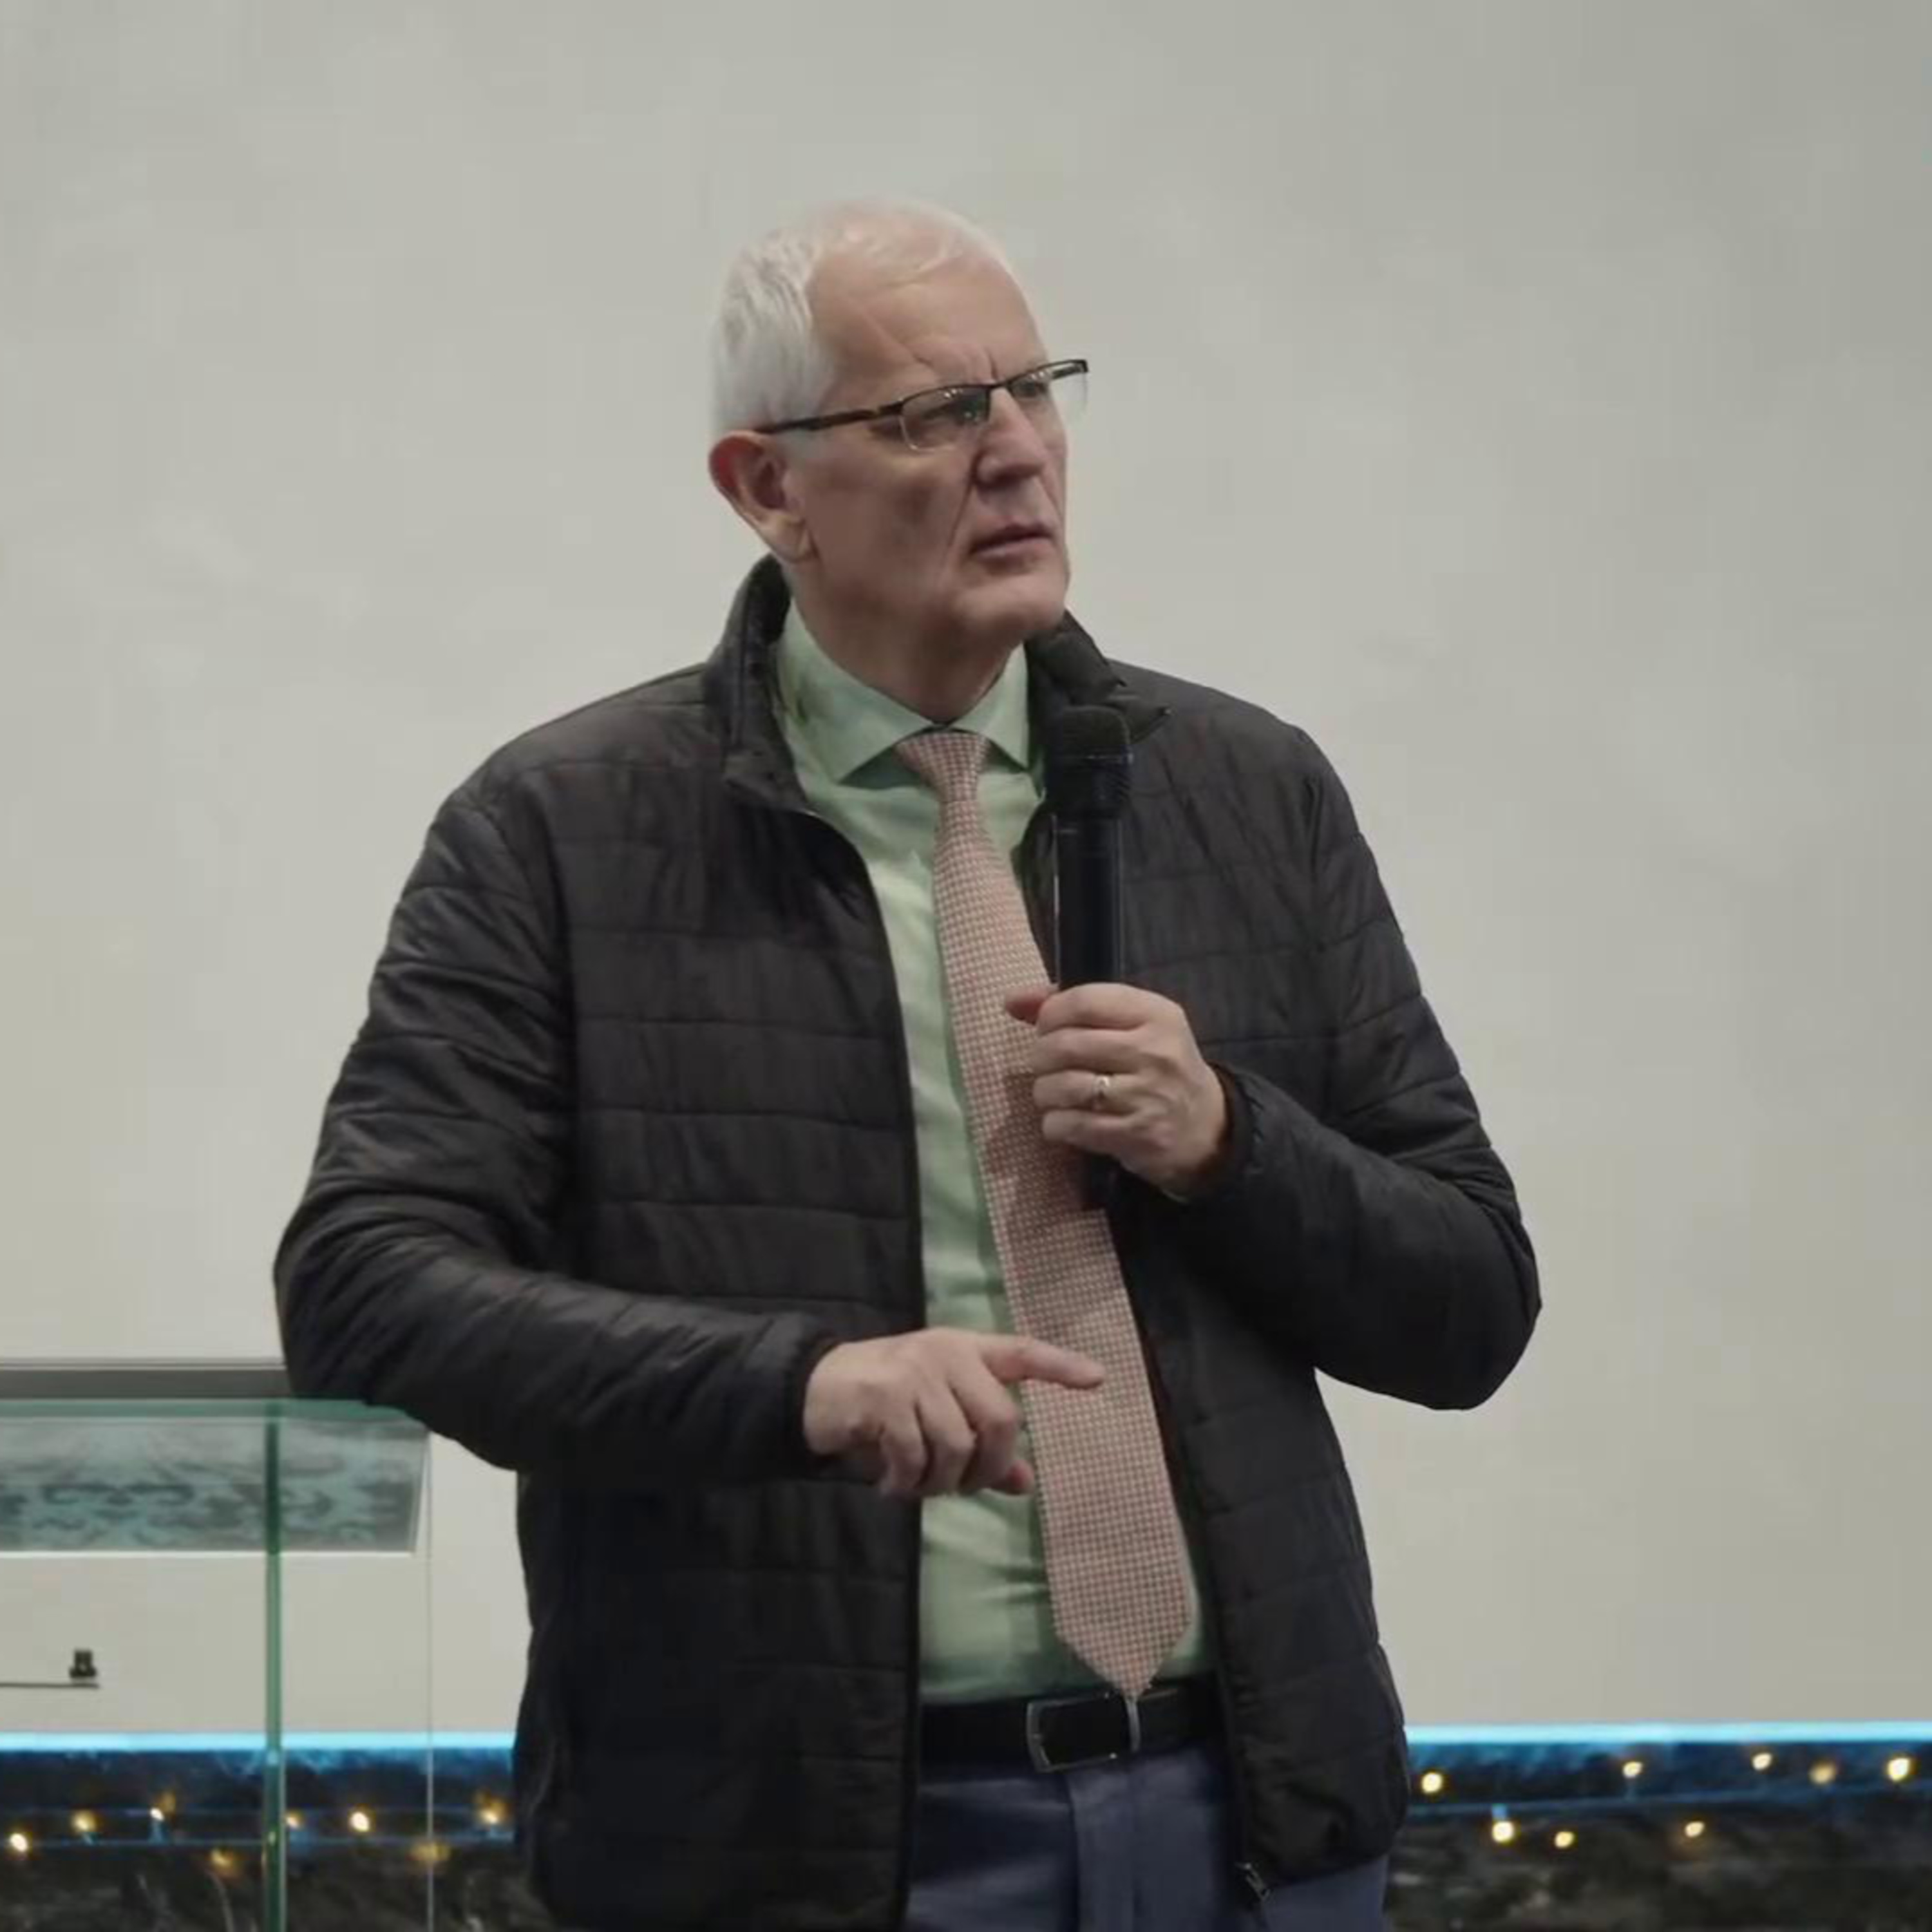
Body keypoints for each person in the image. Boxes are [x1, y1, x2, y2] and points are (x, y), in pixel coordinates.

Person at [274, 200, 1539, 1931]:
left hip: (1253, 1824)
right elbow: (365, 1285)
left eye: (1036, 391)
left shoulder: (1246, 793)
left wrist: (1229, 1143)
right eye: (934, 414)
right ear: (767, 487)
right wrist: (802, 1384)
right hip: (798, 1854)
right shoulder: (560, 832)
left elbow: (1472, 1304)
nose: (1018, 451)